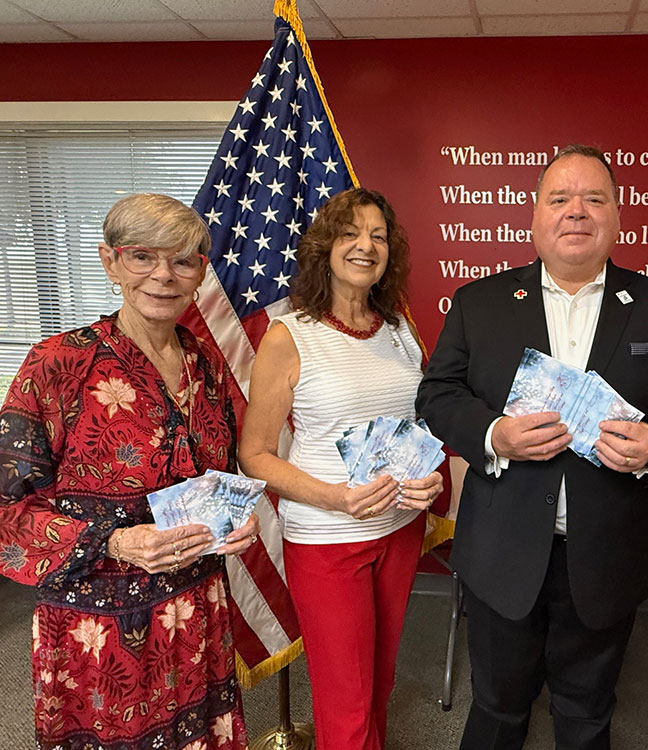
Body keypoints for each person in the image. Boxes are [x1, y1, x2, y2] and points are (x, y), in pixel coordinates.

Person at [416, 144, 648, 750]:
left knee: (586, 714)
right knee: (498, 708)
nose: (576, 212)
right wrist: (492, 435)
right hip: (501, 550)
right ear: (534, 217)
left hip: (607, 553)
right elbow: (437, 396)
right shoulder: (480, 304)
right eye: (559, 199)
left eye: (594, 199)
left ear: (617, 218)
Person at [0, 193, 259, 750]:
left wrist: (236, 519)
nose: (163, 275)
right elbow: (8, 511)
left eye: (183, 260)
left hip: (197, 606)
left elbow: (216, 474)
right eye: (143, 256)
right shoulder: (58, 364)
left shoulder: (205, 362)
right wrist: (114, 542)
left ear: (200, 272)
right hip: (99, 625)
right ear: (110, 261)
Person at [238, 187, 443, 750]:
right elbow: (254, 453)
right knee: (346, 700)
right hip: (329, 538)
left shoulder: (400, 330)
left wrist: (428, 475)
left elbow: (413, 427)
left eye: (378, 236)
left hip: (399, 531)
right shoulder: (290, 336)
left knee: (378, 684)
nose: (365, 246)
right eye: (351, 233)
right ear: (326, 246)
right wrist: (335, 497)